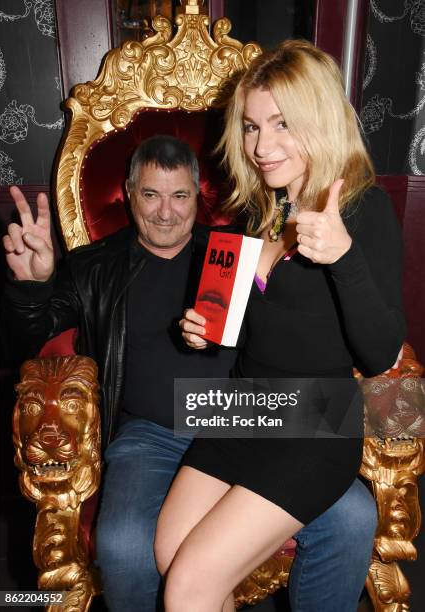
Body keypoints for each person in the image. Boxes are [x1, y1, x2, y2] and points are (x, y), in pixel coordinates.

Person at [3, 135, 378, 612]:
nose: (165, 212)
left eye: (179, 195)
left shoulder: (239, 252)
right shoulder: (91, 267)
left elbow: (310, 336)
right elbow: (26, 348)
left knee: (354, 516)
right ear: (128, 192)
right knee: (122, 544)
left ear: (197, 197)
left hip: (242, 418)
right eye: (150, 195)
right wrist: (33, 288)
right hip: (149, 432)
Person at [154, 41, 404, 612]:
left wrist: (343, 258)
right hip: (244, 409)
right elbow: (266, 328)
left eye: (282, 124)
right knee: (171, 557)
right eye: (250, 126)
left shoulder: (365, 211)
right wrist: (203, 329)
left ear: (319, 119)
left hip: (317, 421)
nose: (262, 146)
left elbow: (383, 352)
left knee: (190, 584)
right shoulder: (259, 211)